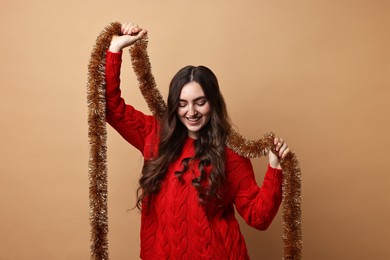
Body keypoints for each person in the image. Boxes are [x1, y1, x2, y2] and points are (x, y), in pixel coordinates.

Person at [105, 22, 290, 260]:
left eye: (199, 102)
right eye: (182, 104)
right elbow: (110, 108)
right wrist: (115, 49)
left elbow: (259, 218)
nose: (191, 111)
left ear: (213, 103)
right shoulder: (154, 134)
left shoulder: (231, 152)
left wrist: (275, 169)